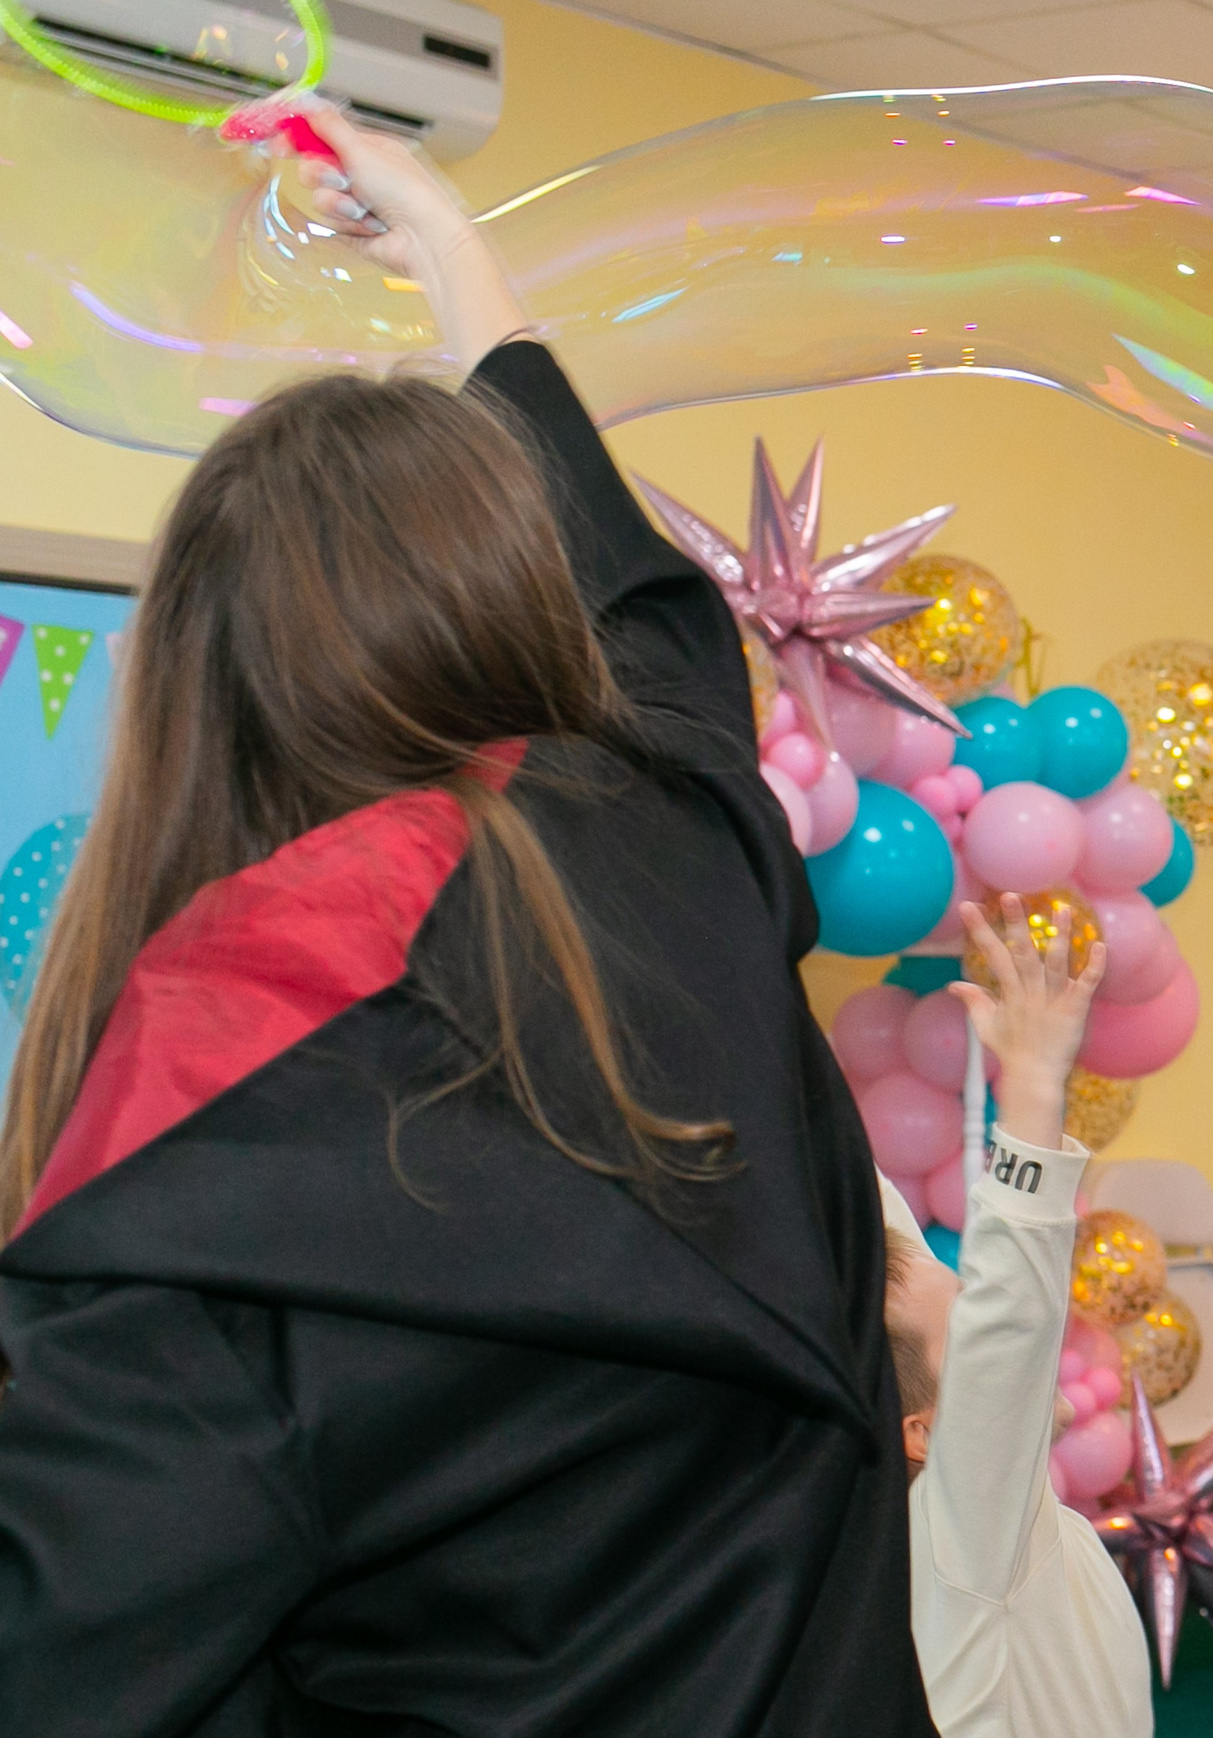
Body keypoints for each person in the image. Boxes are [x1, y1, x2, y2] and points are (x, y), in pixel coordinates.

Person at [0, 105, 934, 1732]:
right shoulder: (687, 856)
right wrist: (447, 246)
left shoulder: (209, 1151)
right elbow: (651, 618)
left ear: (194, 710)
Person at [877, 897, 1155, 1738]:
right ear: (923, 1432)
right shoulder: (963, 1528)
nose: (1012, 1346)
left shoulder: (938, 1504)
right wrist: (1034, 1082)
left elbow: (883, 1223)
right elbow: (1013, 1323)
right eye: (970, 1320)